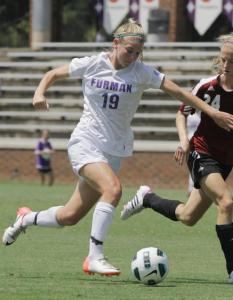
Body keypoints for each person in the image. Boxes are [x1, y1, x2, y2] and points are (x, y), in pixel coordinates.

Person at [2, 20, 233, 277]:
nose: (133, 57)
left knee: (69, 216)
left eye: (138, 53)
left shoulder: (141, 72)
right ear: (116, 43)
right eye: (129, 51)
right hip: (86, 142)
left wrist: (211, 112)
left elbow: (179, 93)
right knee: (113, 190)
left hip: (112, 151)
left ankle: (25, 219)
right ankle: (94, 257)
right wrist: (39, 92)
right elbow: (52, 74)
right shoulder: (93, 63)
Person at [120, 33, 233, 283]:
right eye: (223, 60)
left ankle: (147, 198)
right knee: (226, 202)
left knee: (188, 217)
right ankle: (232, 270)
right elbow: (182, 113)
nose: (225, 66)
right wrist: (184, 141)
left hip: (225, 162)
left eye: (231, 62)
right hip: (202, 153)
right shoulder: (207, 87)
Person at [175, 105, 200, 194]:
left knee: (197, 166)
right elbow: (181, 115)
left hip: (201, 143)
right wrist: (184, 142)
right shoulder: (188, 109)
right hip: (190, 142)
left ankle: (192, 189)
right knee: (194, 166)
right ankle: (191, 189)